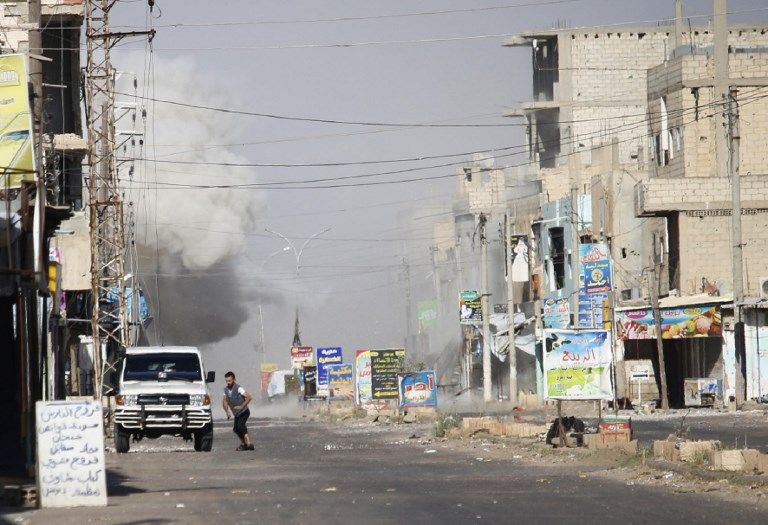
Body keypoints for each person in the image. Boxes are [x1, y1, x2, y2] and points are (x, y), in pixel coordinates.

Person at [223, 371, 254, 451]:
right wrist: (227, 411)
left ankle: (249, 443)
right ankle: (244, 444)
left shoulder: (239, 388)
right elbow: (225, 401)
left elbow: (249, 397)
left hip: (244, 411)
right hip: (237, 414)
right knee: (236, 429)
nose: (228, 382)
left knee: (240, 426)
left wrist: (241, 406)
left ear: (234, 379)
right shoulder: (225, 390)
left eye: (229, 380)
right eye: (226, 381)